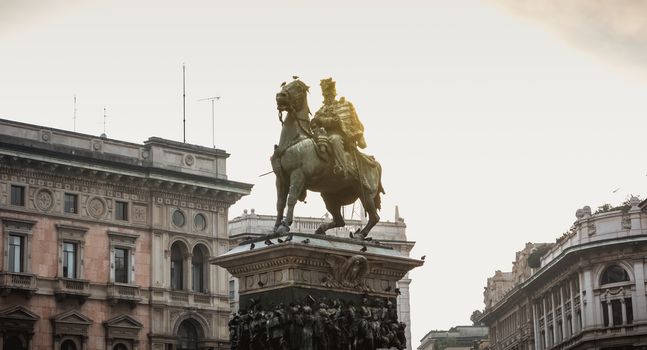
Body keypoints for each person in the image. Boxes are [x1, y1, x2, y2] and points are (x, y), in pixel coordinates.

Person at [311, 78, 367, 176]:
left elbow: (352, 122)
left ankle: (342, 167)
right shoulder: (321, 109)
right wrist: (315, 123)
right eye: (325, 94)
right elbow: (314, 122)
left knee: (334, 139)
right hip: (323, 134)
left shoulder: (344, 105)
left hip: (342, 135)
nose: (327, 96)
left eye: (329, 93)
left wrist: (324, 121)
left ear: (334, 93)